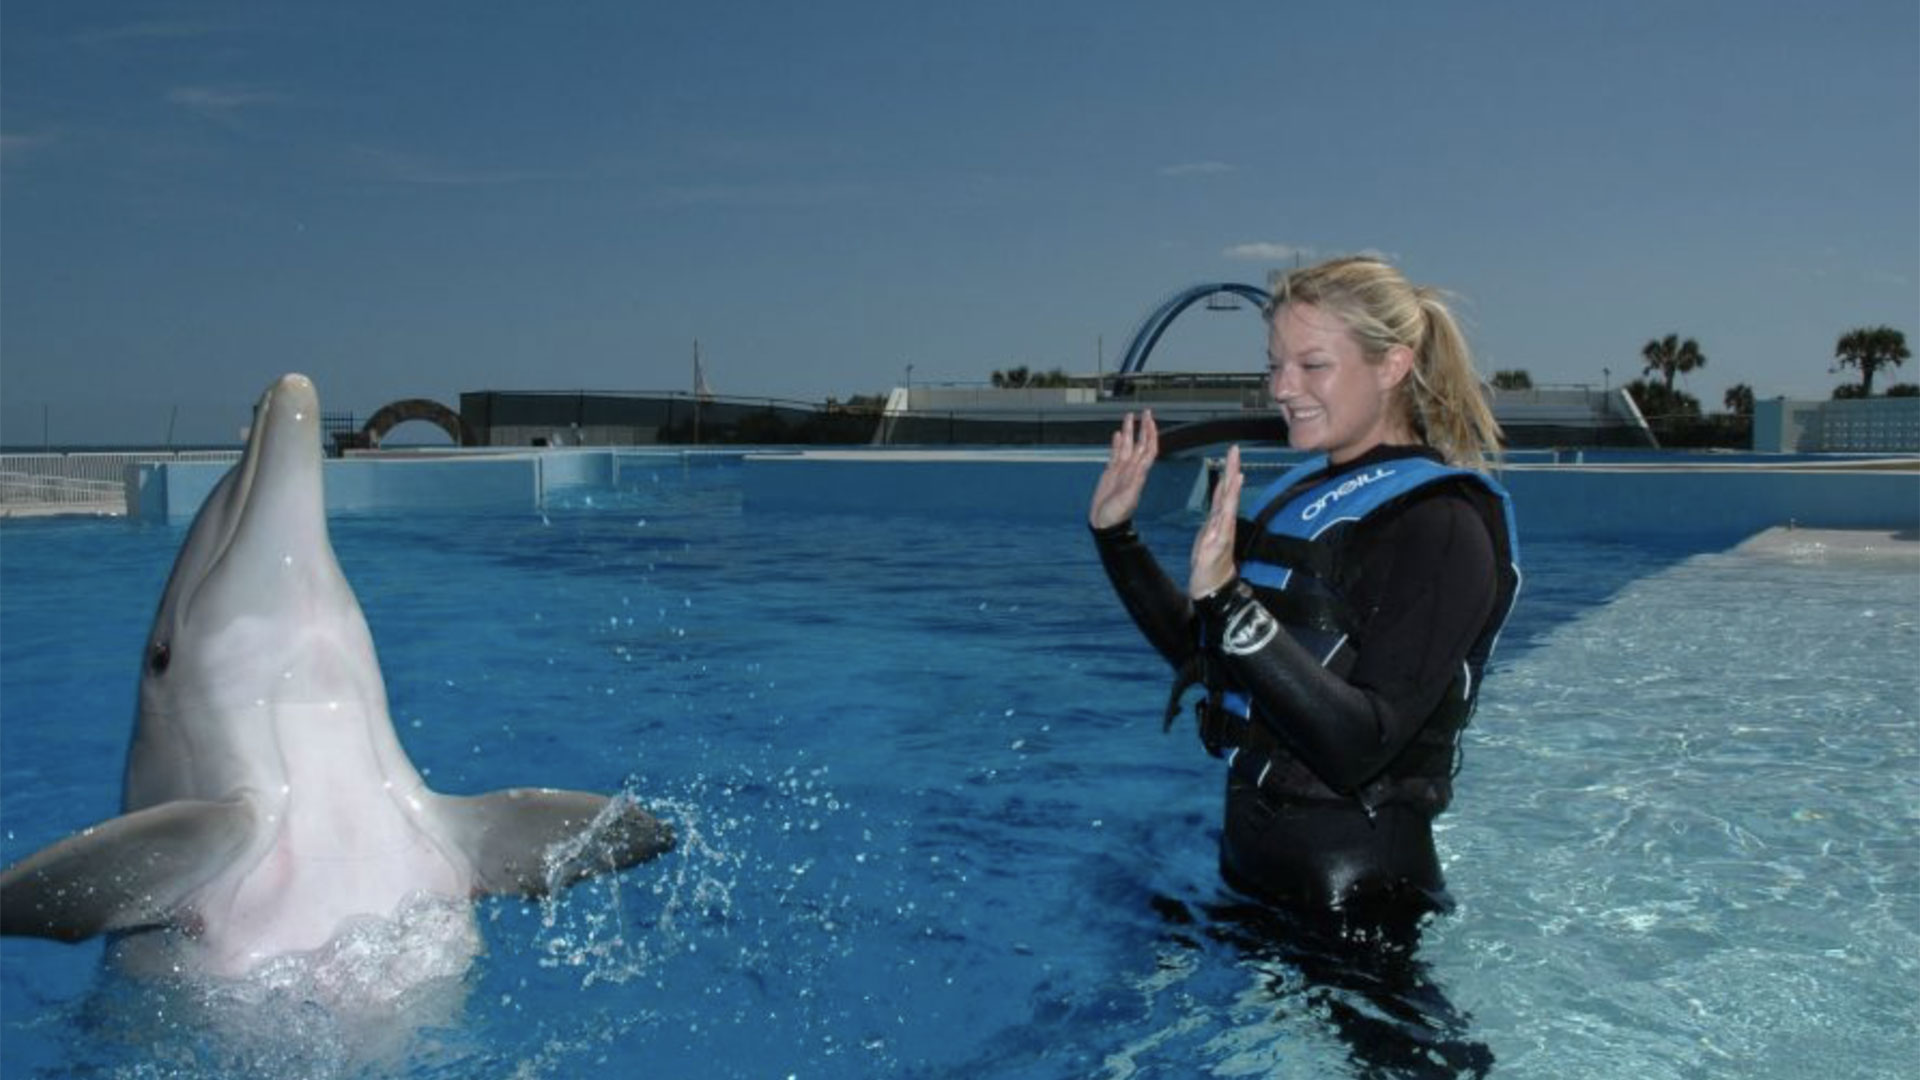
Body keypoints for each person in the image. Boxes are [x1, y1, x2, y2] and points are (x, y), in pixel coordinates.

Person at [1089, 255, 1519, 927]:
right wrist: (1118, 538)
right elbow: (1208, 660)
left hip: (1355, 903)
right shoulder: (1299, 496)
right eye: (1274, 364)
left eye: (1312, 365)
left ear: (1393, 366)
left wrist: (1229, 602)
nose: (1281, 388)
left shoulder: (1440, 525)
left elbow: (1360, 744)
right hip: (1248, 874)